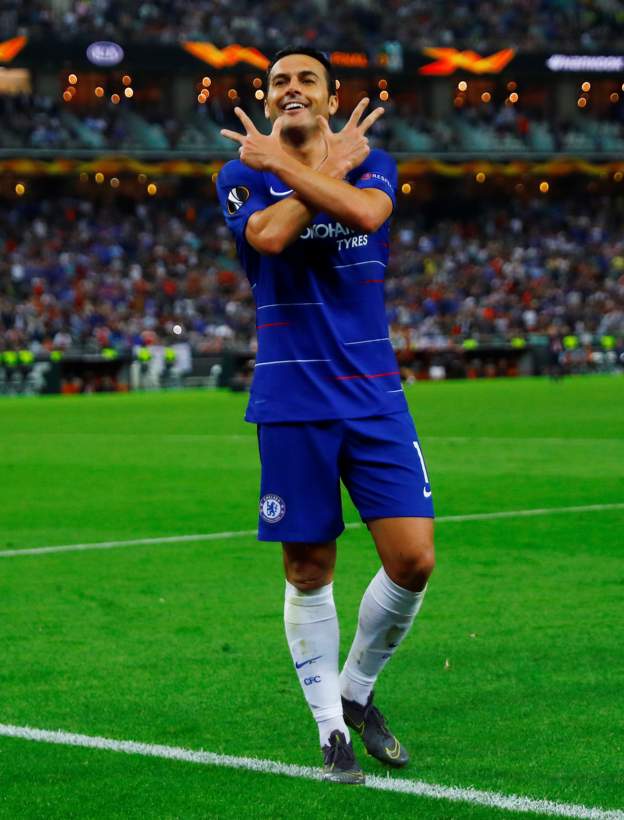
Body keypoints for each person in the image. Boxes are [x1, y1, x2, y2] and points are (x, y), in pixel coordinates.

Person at [217, 47, 435, 785]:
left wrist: (323, 167)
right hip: (293, 399)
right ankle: (330, 730)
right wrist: (312, 168)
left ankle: (356, 691)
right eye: (278, 81)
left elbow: (368, 213)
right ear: (266, 98)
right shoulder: (241, 174)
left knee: (414, 560)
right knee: (309, 567)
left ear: (331, 97)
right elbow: (270, 236)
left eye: (306, 79)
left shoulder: (373, 164)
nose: (291, 89)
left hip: (375, 398)